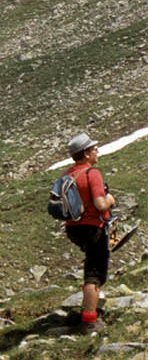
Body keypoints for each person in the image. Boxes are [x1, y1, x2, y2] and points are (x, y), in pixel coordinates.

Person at [62, 133, 115, 334]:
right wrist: (110, 199)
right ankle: (89, 320)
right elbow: (100, 204)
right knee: (94, 273)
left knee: (91, 263)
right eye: (94, 149)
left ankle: (89, 303)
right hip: (93, 227)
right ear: (85, 153)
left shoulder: (66, 175)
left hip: (73, 228)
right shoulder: (91, 173)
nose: (97, 151)